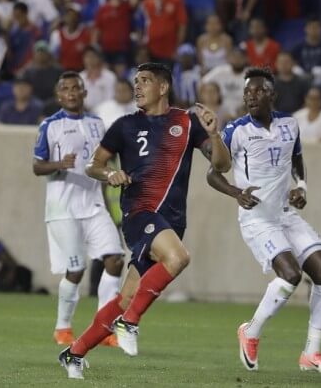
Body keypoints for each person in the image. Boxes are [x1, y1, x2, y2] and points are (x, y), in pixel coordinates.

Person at [58, 63, 230, 380]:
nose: (137, 87)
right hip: (139, 213)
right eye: (136, 81)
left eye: (145, 81)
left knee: (125, 297)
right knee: (179, 257)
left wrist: (214, 133)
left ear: (163, 87)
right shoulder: (123, 126)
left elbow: (222, 164)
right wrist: (111, 173)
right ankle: (130, 322)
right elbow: (94, 165)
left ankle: (74, 353)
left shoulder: (187, 122)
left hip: (172, 222)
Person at [207, 67, 321, 375]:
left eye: (258, 91)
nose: (251, 96)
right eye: (247, 92)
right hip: (257, 220)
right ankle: (250, 332)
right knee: (291, 275)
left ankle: (311, 353)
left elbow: (296, 160)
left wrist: (302, 187)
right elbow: (213, 173)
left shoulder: (289, 125)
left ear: (272, 95)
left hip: (285, 215)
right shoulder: (236, 130)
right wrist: (236, 192)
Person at [33, 71, 124, 347]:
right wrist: (59, 164)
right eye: (66, 89)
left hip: (95, 205)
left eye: (76, 88)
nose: (71, 93)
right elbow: (37, 166)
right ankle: (63, 328)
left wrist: (109, 203)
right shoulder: (50, 125)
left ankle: (104, 328)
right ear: (59, 96)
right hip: (63, 209)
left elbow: (105, 162)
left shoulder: (98, 124)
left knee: (115, 260)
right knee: (76, 269)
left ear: (84, 93)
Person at [139, 0, 187, 65]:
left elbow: (182, 25)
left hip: (170, 48)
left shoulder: (175, 1)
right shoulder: (146, 3)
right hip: (150, 48)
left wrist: (178, 47)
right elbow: (140, 24)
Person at [203, 46, 248, 118]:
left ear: (246, 59)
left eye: (240, 57)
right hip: (219, 114)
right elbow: (203, 82)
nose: (237, 60)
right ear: (230, 58)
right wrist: (203, 101)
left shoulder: (250, 75)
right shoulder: (221, 71)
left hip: (241, 114)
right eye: (235, 57)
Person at [79, 46, 116, 112]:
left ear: (99, 58)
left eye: (93, 56)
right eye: (87, 56)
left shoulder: (109, 76)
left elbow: (111, 98)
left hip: (105, 112)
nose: (90, 59)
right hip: (84, 113)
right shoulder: (80, 77)